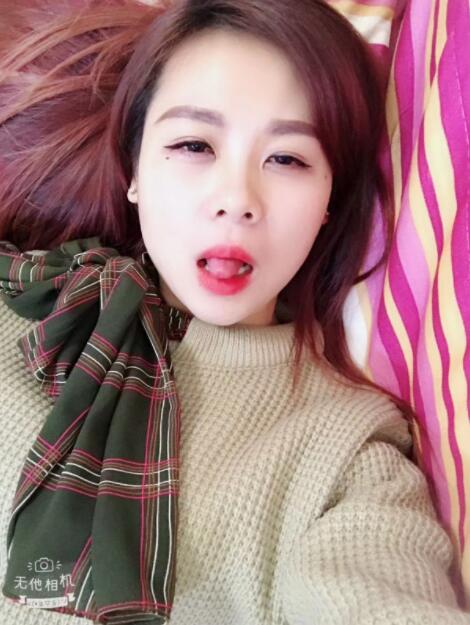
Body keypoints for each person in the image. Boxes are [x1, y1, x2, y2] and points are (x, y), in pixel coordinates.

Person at [0, 0, 469, 624]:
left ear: (329, 200)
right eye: (194, 144)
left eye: (288, 158)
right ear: (133, 170)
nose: (237, 199)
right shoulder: (27, 299)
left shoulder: (347, 453)